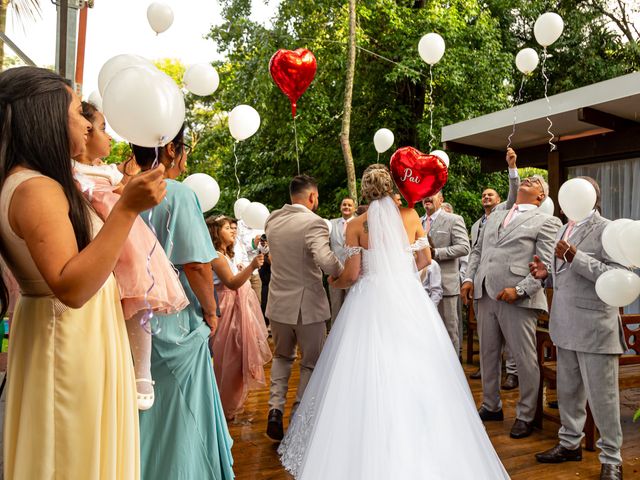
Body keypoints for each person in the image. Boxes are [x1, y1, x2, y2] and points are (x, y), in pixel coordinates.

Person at [278, 165, 509, 479]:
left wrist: (336, 282)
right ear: (393, 188)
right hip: (408, 298)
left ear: (364, 190)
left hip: (367, 302)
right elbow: (426, 260)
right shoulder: (411, 217)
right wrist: (401, 275)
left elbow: (352, 274)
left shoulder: (357, 225)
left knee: (361, 369)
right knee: (418, 367)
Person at [0, 66, 166, 479]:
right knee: (71, 459)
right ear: (47, 117)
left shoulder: (28, 182)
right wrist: (127, 209)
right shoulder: (36, 188)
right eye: (78, 112)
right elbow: (71, 287)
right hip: (70, 339)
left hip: (76, 335)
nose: (86, 125)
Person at [132, 127, 234, 480]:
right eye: (185, 148)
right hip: (176, 322)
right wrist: (210, 310)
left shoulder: (121, 189)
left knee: (146, 414)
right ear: (172, 150)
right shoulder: (176, 193)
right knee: (182, 419)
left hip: (135, 320)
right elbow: (195, 265)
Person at [73, 101, 188, 409]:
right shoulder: (71, 173)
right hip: (99, 240)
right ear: (84, 133)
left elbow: (135, 188)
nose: (109, 136)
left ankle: (141, 369)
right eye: (102, 129)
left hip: (129, 243)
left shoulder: (109, 172)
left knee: (139, 304)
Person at [531, 177, 625, 480]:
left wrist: (575, 255)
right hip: (564, 323)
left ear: (591, 197)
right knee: (569, 392)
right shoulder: (561, 227)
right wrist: (546, 273)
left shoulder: (608, 229)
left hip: (596, 326)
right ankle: (569, 442)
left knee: (603, 397)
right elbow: (564, 277)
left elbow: (618, 276)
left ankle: (612, 457)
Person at [461, 173, 562, 439]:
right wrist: (470, 278)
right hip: (484, 292)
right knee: (488, 354)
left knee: (524, 358)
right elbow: (477, 251)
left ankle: (526, 414)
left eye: (536, 181)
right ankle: (491, 405)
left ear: (542, 196)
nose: (529, 179)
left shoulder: (547, 221)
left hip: (517, 298)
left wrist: (519, 290)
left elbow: (546, 265)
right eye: (526, 178)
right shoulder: (495, 216)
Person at [264, 175, 343, 441]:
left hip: (277, 304)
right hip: (307, 307)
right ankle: (298, 415)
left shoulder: (272, 219)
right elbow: (325, 260)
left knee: (282, 357)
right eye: (317, 197)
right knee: (310, 363)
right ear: (311, 197)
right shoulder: (314, 222)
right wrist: (340, 271)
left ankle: (274, 409)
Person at [206, 215, 272, 421]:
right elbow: (232, 283)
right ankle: (222, 406)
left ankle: (230, 404)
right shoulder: (215, 256)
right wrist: (251, 268)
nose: (234, 231)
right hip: (226, 308)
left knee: (238, 354)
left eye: (234, 227)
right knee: (229, 357)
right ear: (216, 232)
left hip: (237, 306)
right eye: (228, 228)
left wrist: (244, 270)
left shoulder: (226, 255)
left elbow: (235, 278)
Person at [469, 148, 520, 388]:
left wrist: (512, 168)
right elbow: (475, 253)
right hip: (481, 286)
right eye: (484, 195)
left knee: (507, 334)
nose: (486, 197)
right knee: (487, 336)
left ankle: (512, 372)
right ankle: (487, 370)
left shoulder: (504, 211)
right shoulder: (477, 224)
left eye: (491, 195)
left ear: (498, 200)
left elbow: (514, 196)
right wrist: (469, 279)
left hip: (502, 284)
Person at [421, 191, 470, 355]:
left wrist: (435, 253)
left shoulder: (453, 219)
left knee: (449, 332)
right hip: (419, 288)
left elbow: (464, 247)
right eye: (425, 195)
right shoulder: (418, 222)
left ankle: (453, 374)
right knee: (425, 332)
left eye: (432, 195)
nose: (427, 198)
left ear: (441, 199)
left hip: (445, 286)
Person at [328, 197, 355, 329]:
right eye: (344, 205)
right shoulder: (331, 224)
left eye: (350, 205)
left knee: (352, 308)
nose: (347, 207)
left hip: (354, 272)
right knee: (336, 307)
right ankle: (334, 335)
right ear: (340, 207)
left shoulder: (358, 223)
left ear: (354, 208)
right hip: (335, 273)